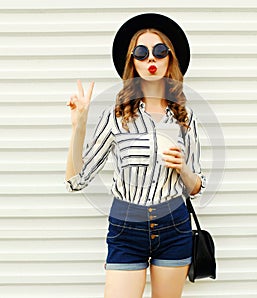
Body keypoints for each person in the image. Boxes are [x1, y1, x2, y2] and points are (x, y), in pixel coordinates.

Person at [65, 13, 206, 298]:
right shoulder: (116, 117)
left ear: (170, 59)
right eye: (141, 53)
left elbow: (196, 187)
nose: (150, 60)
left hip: (174, 225)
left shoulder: (185, 117)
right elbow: (76, 180)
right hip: (126, 226)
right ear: (132, 61)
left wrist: (183, 169)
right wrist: (79, 125)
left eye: (159, 51)